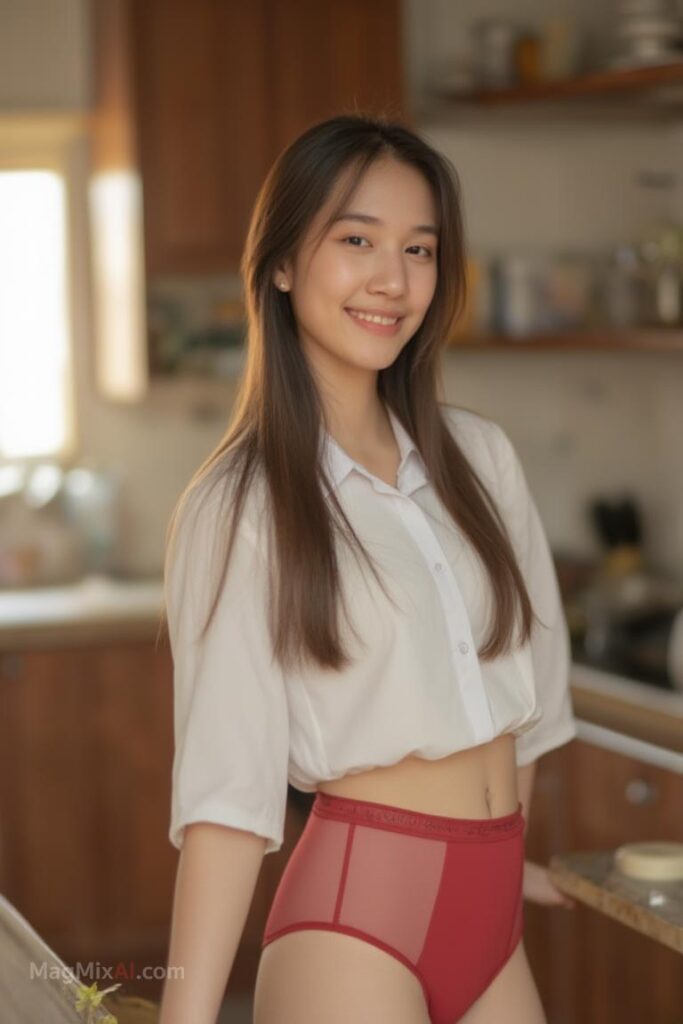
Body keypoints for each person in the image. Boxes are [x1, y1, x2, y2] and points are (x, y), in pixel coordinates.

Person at [157, 113, 578, 1024]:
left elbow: (528, 694)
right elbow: (228, 798)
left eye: (419, 249)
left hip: (490, 915)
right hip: (353, 924)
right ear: (279, 262)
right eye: (356, 240)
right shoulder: (240, 505)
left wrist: (501, 866)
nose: (393, 279)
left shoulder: (480, 458)